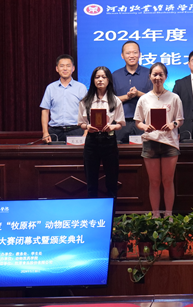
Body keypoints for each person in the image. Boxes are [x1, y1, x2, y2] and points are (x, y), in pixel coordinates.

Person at [135, 62, 184, 218]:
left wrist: (172, 124)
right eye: (154, 74)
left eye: (160, 74)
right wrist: (145, 126)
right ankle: (155, 215)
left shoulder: (174, 97)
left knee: (168, 181)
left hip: (169, 143)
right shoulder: (144, 99)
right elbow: (138, 121)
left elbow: (180, 120)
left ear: (165, 77)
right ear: (150, 77)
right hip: (150, 142)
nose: (157, 77)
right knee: (154, 181)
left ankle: (169, 215)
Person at [77, 66, 125, 198]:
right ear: (93, 80)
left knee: (112, 180)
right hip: (91, 142)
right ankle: (93, 209)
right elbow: (81, 123)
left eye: (103, 77)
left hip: (109, 141)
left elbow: (120, 124)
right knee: (91, 181)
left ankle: (112, 209)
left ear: (109, 80)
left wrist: (112, 127)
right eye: (97, 77)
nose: (100, 80)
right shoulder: (85, 101)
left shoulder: (115, 101)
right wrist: (87, 127)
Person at [40, 54, 87, 143]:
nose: (65, 69)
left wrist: (86, 133)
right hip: (55, 131)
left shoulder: (81, 88)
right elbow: (45, 111)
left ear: (73, 68)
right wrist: (45, 132)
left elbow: (87, 110)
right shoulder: (50, 88)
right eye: (62, 66)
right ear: (57, 69)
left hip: (76, 130)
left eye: (68, 66)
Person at [112, 41, 152, 143]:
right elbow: (110, 100)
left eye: (135, 52)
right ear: (122, 55)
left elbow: (155, 99)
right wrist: (127, 97)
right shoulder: (115, 75)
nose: (132, 56)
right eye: (128, 53)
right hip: (121, 123)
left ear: (140, 54)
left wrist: (138, 94)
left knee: (146, 150)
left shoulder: (149, 74)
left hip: (144, 122)